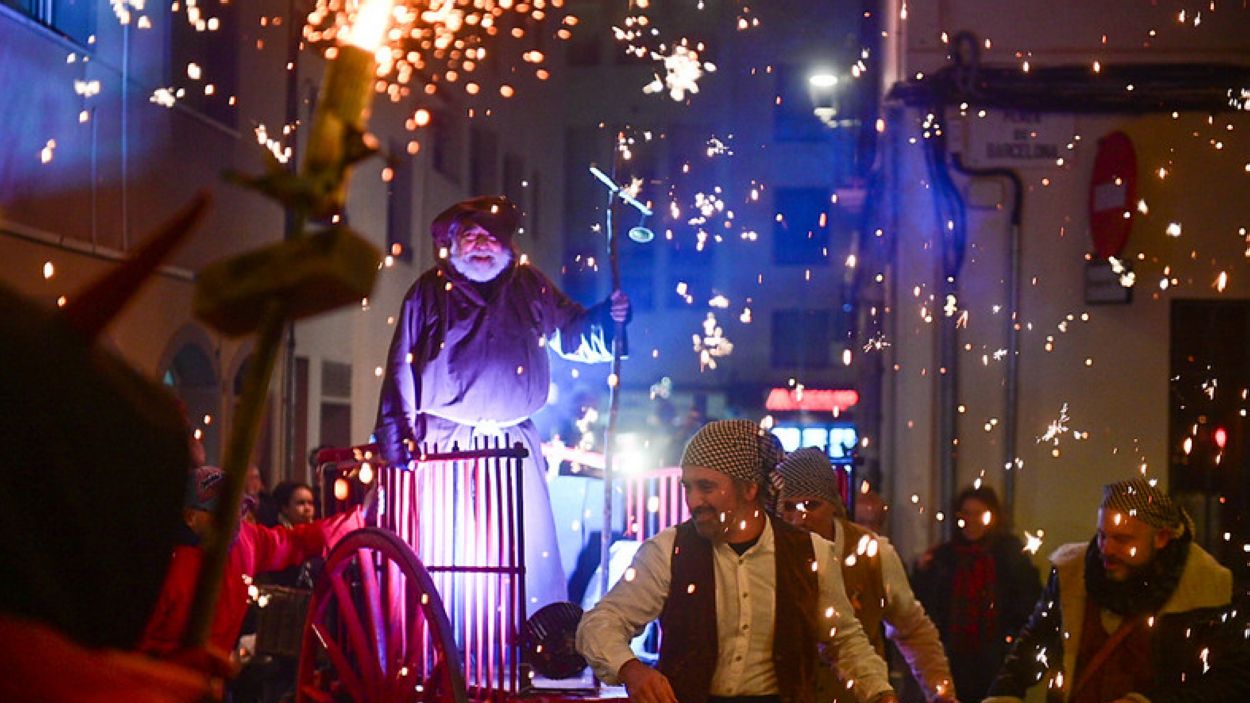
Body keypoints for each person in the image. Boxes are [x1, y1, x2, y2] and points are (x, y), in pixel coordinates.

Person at [375, 195, 629, 611]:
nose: (481, 244)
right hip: (446, 448)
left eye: (490, 236)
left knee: (523, 553)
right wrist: (398, 437)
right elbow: (401, 364)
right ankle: (451, 637)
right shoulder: (427, 292)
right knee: (449, 557)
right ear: (452, 243)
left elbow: (571, 331)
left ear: (507, 242)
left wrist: (607, 319)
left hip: (515, 447)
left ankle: (525, 635)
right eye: (470, 235)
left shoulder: (529, 285)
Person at [576, 419, 898, 703]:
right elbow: (599, 623)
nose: (693, 501)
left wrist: (880, 693)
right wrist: (632, 670)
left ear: (749, 489)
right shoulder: (668, 551)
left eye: (706, 487)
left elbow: (844, 641)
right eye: (688, 487)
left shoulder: (810, 553)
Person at [985, 478, 1250, 703]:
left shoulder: (1206, 586)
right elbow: (1032, 645)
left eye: (1123, 539)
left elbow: (1232, 680)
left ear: (1161, 538)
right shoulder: (1072, 572)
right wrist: (1003, 695)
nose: (1106, 549)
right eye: (1103, 535)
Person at [775, 448, 956, 702]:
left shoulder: (872, 554)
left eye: (811, 505)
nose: (799, 519)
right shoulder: (771, 553)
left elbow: (914, 630)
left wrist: (941, 695)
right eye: (789, 507)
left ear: (833, 505)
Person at [138, 465, 365, 659]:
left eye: (240, 508)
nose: (236, 518)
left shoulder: (246, 541)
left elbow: (296, 542)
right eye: (224, 511)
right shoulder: (161, 567)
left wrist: (358, 520)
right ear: (190, 517)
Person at [911, 485, 1040, 703]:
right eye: (966, 514)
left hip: (996, 658)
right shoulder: (944, 557)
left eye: (978, 514)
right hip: (952, 659)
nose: (971, 520)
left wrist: (1013, 647)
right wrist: (922, 572)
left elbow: (1028, 603)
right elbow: (923, 606)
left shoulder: (1009, 555)